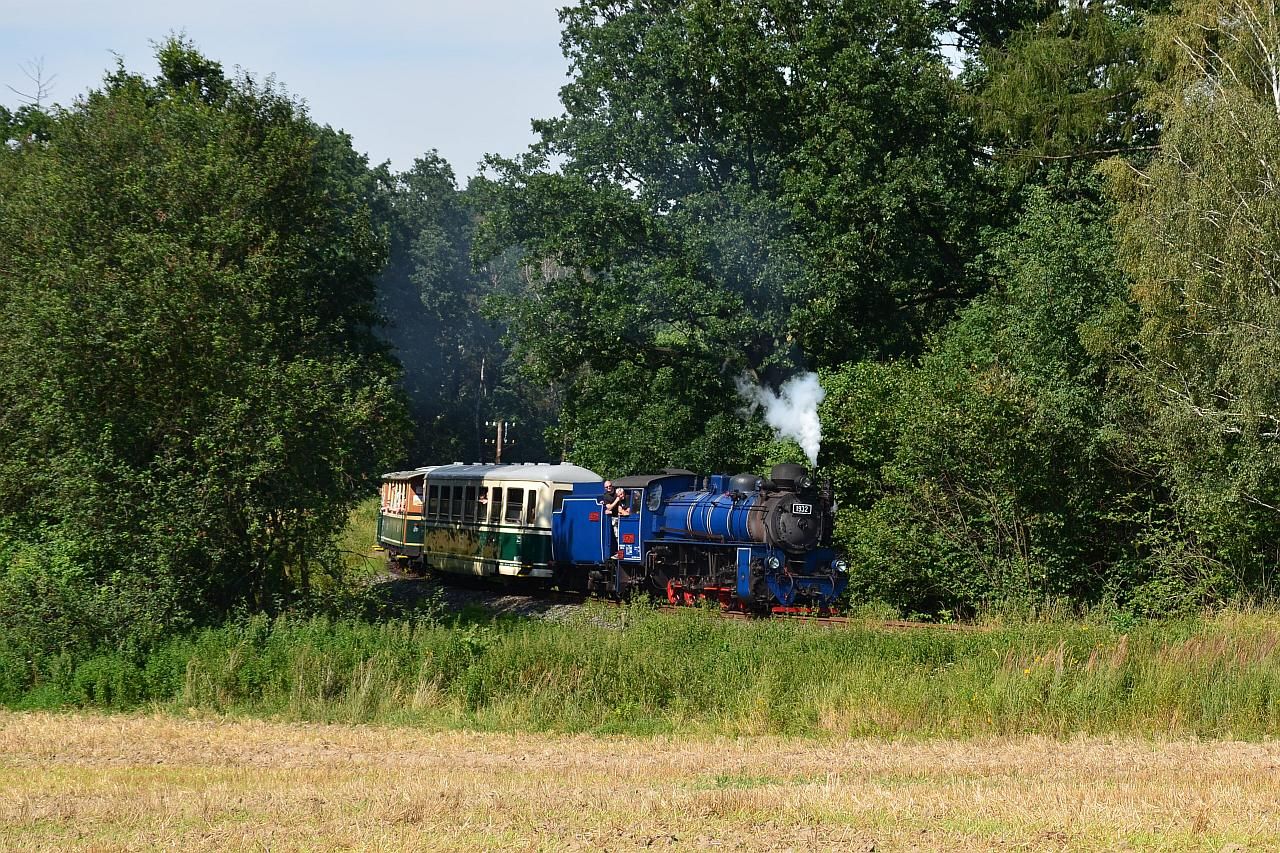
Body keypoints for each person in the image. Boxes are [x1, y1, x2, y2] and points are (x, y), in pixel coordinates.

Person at [606, 486, 631, 558]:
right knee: (618, 536)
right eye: (619, 495)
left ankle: (623, 552)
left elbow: (628, 512)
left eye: (621, 494)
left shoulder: (628, 498)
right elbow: (619, 510)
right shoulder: (620, 500)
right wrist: (623, 512)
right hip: (621, 520)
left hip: (627, 521)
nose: (621, 496)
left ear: (624, 493)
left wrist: (622, 512)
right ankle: (620, 552)